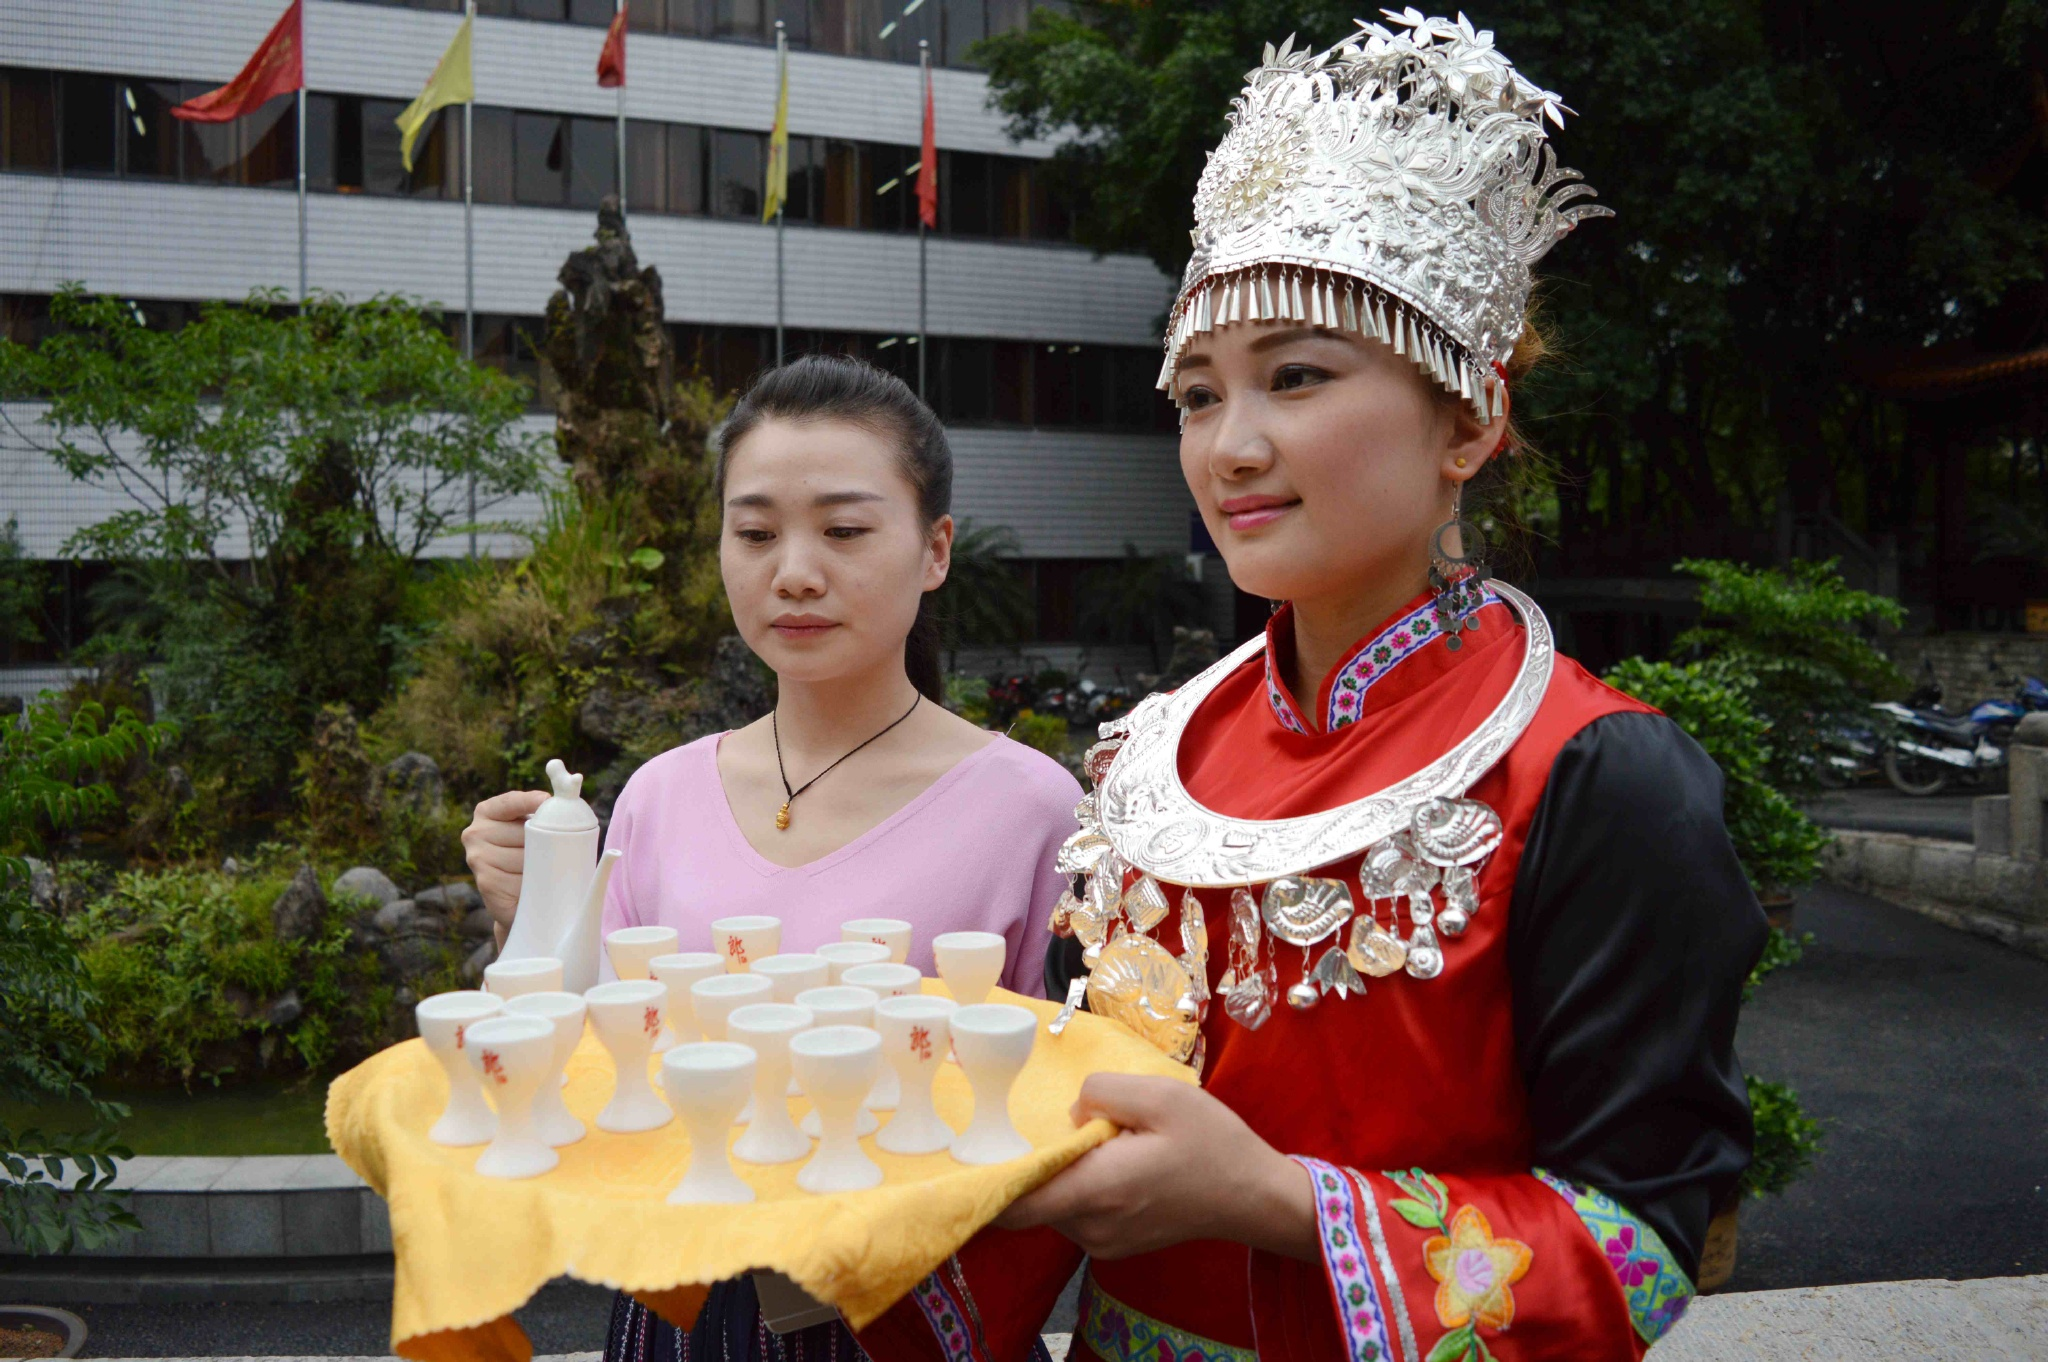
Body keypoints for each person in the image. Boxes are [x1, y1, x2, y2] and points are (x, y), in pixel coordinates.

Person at [854, 16, 1768, 1361]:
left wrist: (1283, 1202)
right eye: (1197, 393)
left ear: (1469, 420)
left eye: (1296, 376)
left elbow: (1640, 1247)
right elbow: (1058, 1132)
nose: (1234, 445)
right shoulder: (1152, 762)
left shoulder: (1596, 778)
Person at [461, 354, 1081, 1361]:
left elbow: (1067, 1105)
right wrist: (527, 917)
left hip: (915, 1316)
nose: (793, 569)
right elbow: (585, 1069)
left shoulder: (1034, 812)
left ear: (934, 550)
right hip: (685, 1310)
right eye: (754, 533)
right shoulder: (660, 795)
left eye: (842, 530)